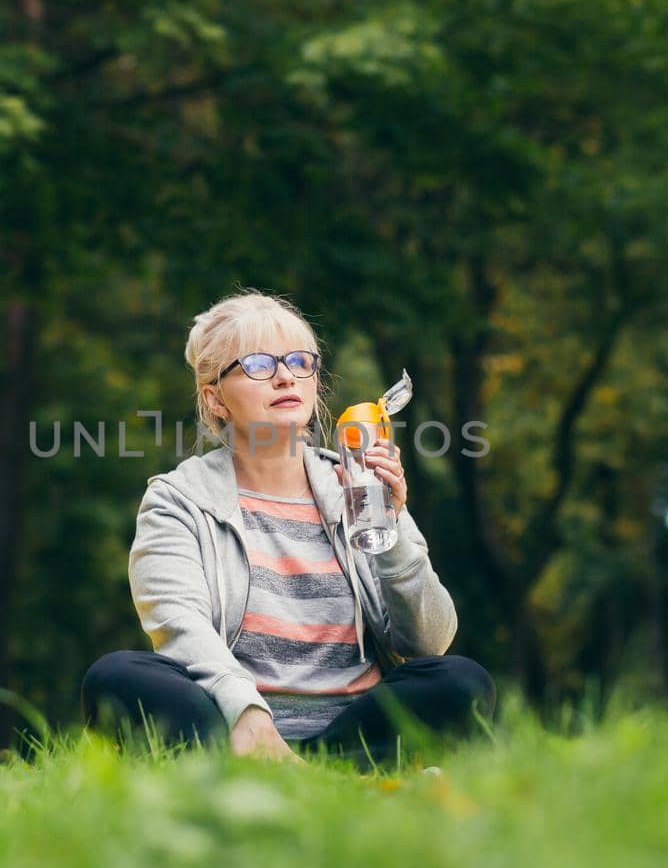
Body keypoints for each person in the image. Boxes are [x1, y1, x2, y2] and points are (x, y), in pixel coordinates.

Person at [81, 289, 495, 766]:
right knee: (117, 675)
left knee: (461, 680)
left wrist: (393, 529)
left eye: (300, 361)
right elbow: (181, 628)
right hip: (233, 726)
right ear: (216, 399)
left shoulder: (358, 488)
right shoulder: (178, 500)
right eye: (258, 364)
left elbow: (430, 642)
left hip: (352, 728)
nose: (285, 376)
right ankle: (266, 767)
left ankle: (323, 770)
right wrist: (248, 715)